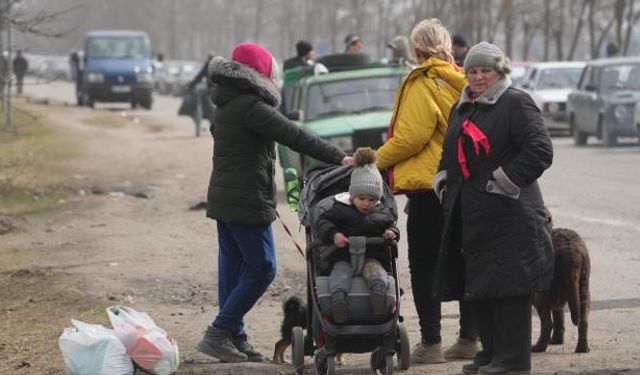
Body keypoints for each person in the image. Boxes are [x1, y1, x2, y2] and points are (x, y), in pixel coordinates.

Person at [196, 42, 352, 363]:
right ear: (260, 75)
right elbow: (294, 135)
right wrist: (340, 158)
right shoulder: (252, 108)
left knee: (233, 270)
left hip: (226, 200)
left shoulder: (227, 102)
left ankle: (235, 337)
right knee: (263, 268)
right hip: (246, 201)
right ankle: (218, 332)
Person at [433, 41, 553, 375]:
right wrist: (444, 180)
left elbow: (540, 150)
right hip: (473, 213)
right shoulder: (465, 106)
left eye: (485, 70)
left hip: (509, 213)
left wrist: (502, 181)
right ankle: (492, 352)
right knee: (482, 284)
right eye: (472, 71)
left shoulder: (515, 103)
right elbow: (450, 150)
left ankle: (513, 360)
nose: (478, 77)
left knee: (509, 286)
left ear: (500, 72)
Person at [375, 18, 478, 364]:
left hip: (429, 187)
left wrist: (373, 160)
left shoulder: (422, 81)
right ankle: (468, 339)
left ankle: (431, 343)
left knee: (423, 263)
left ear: (417, 50)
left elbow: (411, 137)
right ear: (448, 48)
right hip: (466, 184)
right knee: (466, 258)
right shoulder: (466, 80)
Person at [316, 147, 399, 323]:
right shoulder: (340, 209)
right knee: (339, 276)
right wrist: (334, 234)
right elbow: (323, 222)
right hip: (343, 257)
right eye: (362, 199)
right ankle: (339, 302)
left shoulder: (382, 212)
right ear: (352, 195)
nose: (367, 204)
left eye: (372, 199)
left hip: (372, 257)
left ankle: (378, 299)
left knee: (376, 275)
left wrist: (391, 233)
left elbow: (392, 226)